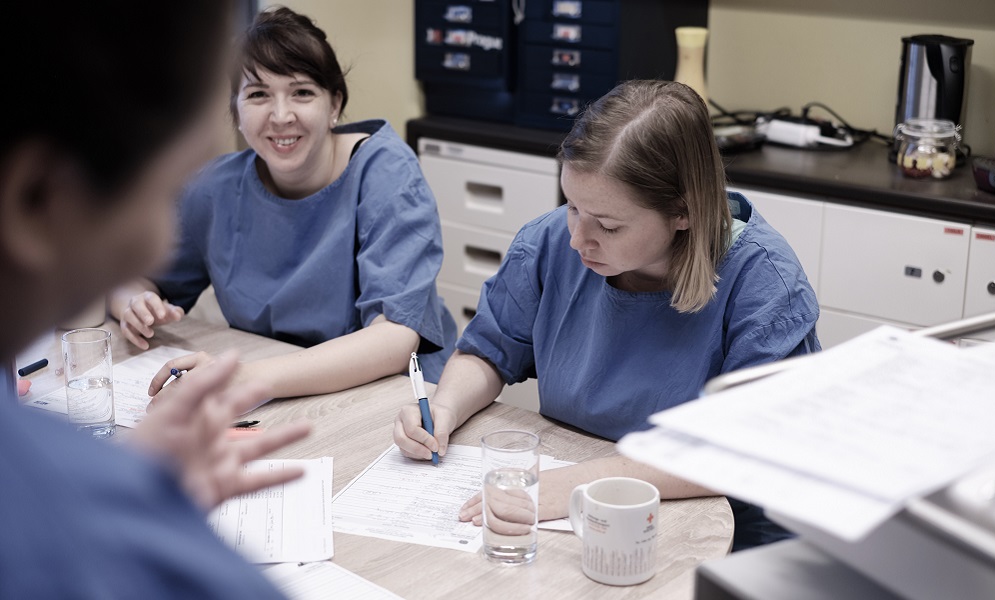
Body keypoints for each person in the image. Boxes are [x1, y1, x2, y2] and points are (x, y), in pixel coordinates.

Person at [393, 80, 821, 552]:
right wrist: (446, 408)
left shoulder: (762, 282)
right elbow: (489, 352)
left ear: (684, 211)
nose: (578, 239)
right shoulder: (552, 243)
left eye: (609, 225)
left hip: (714, 528)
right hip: (577, 512)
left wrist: (576, 485)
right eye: (572, 207)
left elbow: (747, 452)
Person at [1, 1, 311, 596]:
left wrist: (124, 471)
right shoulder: (106, 544)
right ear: (36, 201)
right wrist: (120, 499)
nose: (164, 245)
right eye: (165, 190)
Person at [109, 6, 457, 403]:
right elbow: (133, 277)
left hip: (392, 395)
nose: (280, 115)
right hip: (275, 385)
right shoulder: (213, 187)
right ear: (236, 111)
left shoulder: (386, 175)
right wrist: (134, 304)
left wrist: (248, 379)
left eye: (302, 92)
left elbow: (394, 337)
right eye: (257, 94)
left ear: (334, 105)